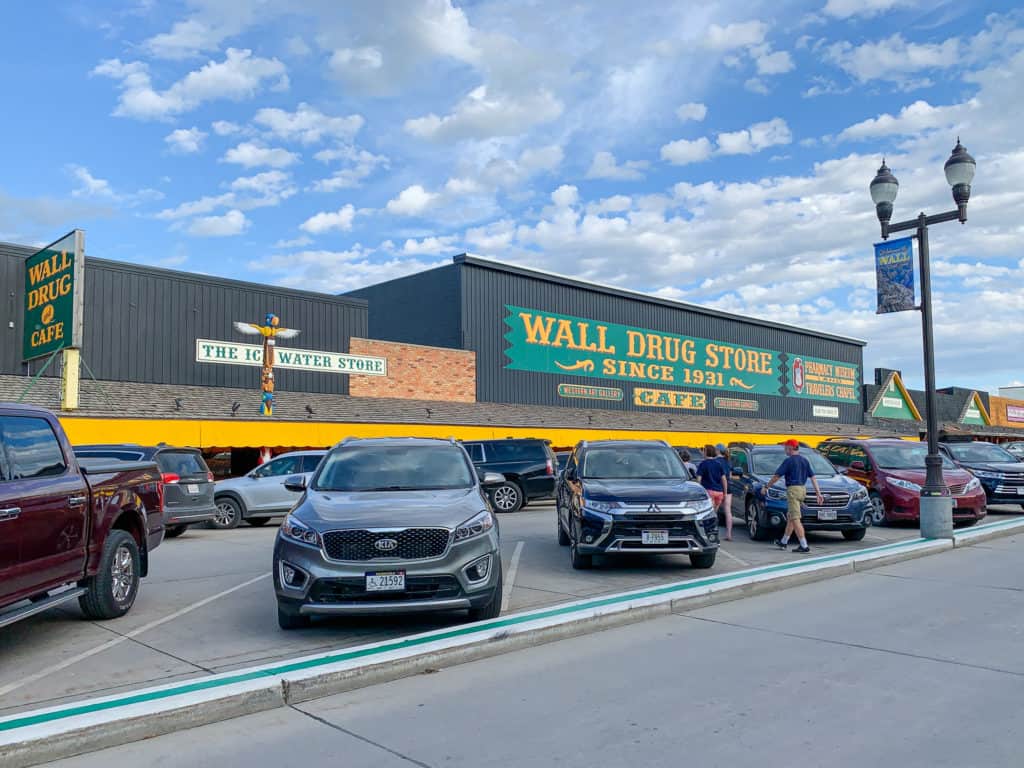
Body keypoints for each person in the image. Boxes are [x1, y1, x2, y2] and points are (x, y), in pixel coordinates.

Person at [761, 439, 823, 554]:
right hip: (802, 490)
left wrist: (766, 487)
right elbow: (813, 477)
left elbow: (776, 476)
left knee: (795, 518)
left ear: (790, 448)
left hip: (793, 490)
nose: (785, 450)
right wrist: (818, 493)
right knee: (791, 517)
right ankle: (784, 542)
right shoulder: (805, 460)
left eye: (785, 448)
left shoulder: (788, 461)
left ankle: (804, 545)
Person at [696, 445, 727, 526]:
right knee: (714, 513)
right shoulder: (718, 464)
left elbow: (699, 479)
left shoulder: (703, 464)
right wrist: (725, 493)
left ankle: (709, 530)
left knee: (708, 514)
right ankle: (713, 528)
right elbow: (724, 479)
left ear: (706, 452)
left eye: (704, 451)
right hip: (719, 492)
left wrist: (698, 491)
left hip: (708, 491)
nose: (702, 452)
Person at [715, 443, 733, 541]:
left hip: (717, 487)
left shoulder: (715, 461)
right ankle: (728, 534)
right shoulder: (728, 462)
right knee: (728, 511)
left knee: (714, 512)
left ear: (717, 450)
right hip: (728, 488)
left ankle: (713, 532)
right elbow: (729, 477)